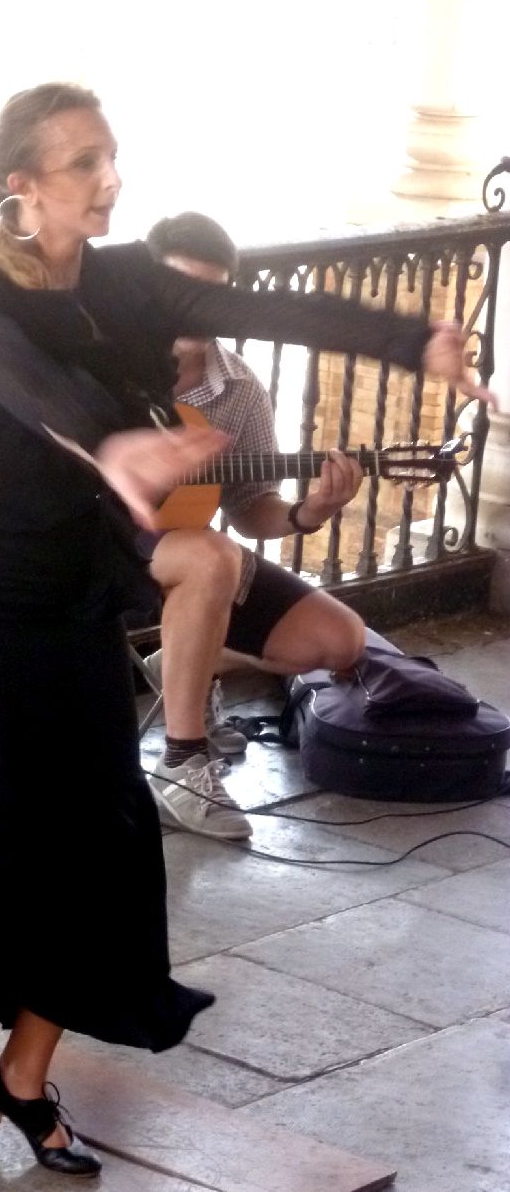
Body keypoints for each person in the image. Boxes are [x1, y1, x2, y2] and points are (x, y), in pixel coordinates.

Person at [0, 82, 487, 1178]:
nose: (107, 178)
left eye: (110, 156)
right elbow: (24, 379)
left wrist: (414, 339)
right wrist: (108, 440)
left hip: (75, 597)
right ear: (20, 186)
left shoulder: (128, 282)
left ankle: (22, 1075)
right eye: (81, 162)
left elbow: (278, 308)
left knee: (115, 843)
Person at [139, 212, 368, 841]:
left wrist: (306, 513)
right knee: (213, 555)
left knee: (340, 642)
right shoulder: (105, 364)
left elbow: (248, 507)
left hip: (193, 558)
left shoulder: (237, 388)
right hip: (97, 548)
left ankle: (182, 660)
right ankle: (183, 765)